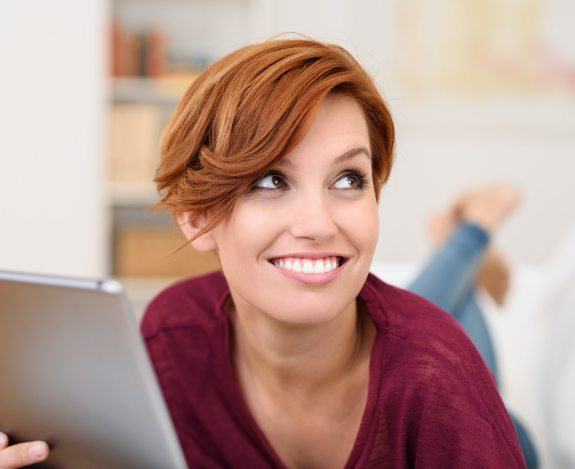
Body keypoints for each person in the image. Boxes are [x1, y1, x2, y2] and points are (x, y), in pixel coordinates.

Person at [0, 37, 526, 468]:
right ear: (197, 216)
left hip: (501, 435)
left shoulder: (441, 382)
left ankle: (470, 236)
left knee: (441, 329)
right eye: (271, 180)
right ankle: (466, 259)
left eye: (349, 179)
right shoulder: (173, 338)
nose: (318, 225)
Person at [407, 184, 539, 468]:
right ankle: (467, 242)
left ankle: (463, 250)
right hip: (498, 438)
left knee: (391, 346)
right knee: (398, 345)